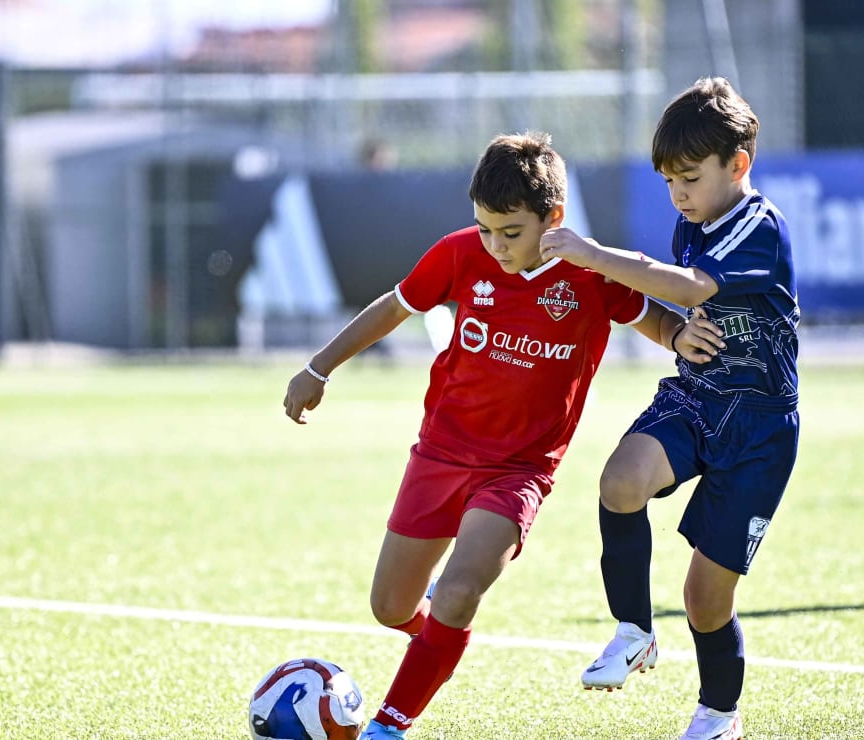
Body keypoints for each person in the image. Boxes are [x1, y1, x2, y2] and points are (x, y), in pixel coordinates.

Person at [283, 131, 697, 740]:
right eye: (485, 229)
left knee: (456, 590)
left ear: (552, 218)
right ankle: (446, 642)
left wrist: (683, 337)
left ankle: (389, 726)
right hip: (440, 454)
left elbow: (655, 319)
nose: (496, 246)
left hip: (518, 473)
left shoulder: (590, 274)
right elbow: (394, 307)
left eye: (511, 231)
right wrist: (318, 367)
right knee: (392, 607)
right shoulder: (458, 254)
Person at [539, 76, 799, 740]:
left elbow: (691, 284)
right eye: (668, 182)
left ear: (736, 165)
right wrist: (680, 334)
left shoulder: (758, 226)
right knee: (620, 481)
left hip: (760, 430)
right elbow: (685, 306)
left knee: (705, 602)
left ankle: (718, 716)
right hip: (697, 398)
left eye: (689, 177)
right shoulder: (697, 221)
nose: (678, 193)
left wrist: (596, 256)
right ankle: (633, 630)